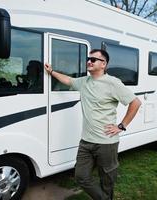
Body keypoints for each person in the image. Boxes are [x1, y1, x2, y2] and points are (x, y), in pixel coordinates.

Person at [44, 49, 141, 200]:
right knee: (81, 176)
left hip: (106, 143)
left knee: (107, 180)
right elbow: (68, 80)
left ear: (103, 64)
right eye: (88, 59)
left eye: (93, 59)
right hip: (86, 141)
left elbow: (135, 102)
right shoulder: (84, 82)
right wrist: (52, 72)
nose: (89, 61)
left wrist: (121, 126)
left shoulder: (113, 83)